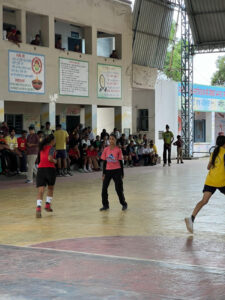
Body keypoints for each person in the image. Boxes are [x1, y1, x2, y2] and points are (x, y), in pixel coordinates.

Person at [185, 136, 225, 234]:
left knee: (204, 201)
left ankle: (191, 218)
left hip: (210, 180)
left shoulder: (214, 152)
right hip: (221, 181)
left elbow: (208, 167)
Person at [100, 134, 128, 211]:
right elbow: (105, 162)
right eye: (110, 139)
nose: (111, 140)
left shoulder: (118, 150)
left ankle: (124, 204)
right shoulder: (106, 149)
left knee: (118, 189)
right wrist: (103, 174)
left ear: (115, 140)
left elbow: (121, 162)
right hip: (108, 171)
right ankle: (105, 205)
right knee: (104, 189)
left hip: (117, 171)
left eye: (113, 139)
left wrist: (122, 173)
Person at [36, 134, 57, 218]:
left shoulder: (41, 148)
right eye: (54, 140)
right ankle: (47, 205)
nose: (55, 141)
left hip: (41, 169)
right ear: (51, 141)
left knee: (41, 190)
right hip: (50, 169)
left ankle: (38, 208)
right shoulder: (52, 148)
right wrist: (55, 161)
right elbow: (49, 158)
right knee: (50, 188)